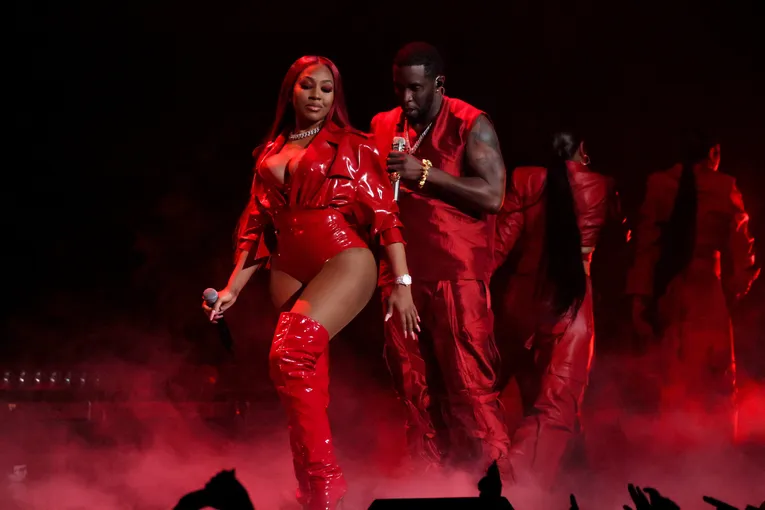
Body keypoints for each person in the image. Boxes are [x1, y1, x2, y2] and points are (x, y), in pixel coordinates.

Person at [202, 56, 419, 510]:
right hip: (288, 266)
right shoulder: (269, 153)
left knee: (289, 353)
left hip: (343, 257)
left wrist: (401, 282)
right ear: (291, 92)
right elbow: (255, 229)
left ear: (335, 96)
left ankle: (326, 483)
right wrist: (232, 289)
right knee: (299, 378)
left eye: (326, 88)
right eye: (308, 86)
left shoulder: (353, 146)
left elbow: (386, 215)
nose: (317, 96)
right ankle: (313, 495)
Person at [369, 42, 509, 476]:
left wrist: (426, 174)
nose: (406, 98)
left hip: (455, 273)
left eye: (415, 88)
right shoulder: (382, 124)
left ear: (439, 84)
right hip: (401, 277)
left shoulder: (471, 123)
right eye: (399, 88)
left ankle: (497, 488)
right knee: (414, 391)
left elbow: (494, 195)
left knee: (470, 389)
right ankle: (431, 489)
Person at [493, 131, 614, 490]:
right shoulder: (601, 187)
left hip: (522, 300)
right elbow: (623, 242)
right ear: (584, 149)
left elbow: (497, 245)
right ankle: (512, 490)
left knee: (512, 393)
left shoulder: (527, 180)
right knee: (556, 404)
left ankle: (471, 470)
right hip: (570, 304)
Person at [626, 132, 758, 445]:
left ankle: (674, 451)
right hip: (707, 289)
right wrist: (738, 286)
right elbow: (742, 246)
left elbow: (645, 247)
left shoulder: (659, 184)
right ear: (714, 152)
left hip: (669, 289)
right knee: (717, 379)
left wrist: (639, 299)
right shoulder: (724, 186)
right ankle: (717, 453)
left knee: (673, 377)